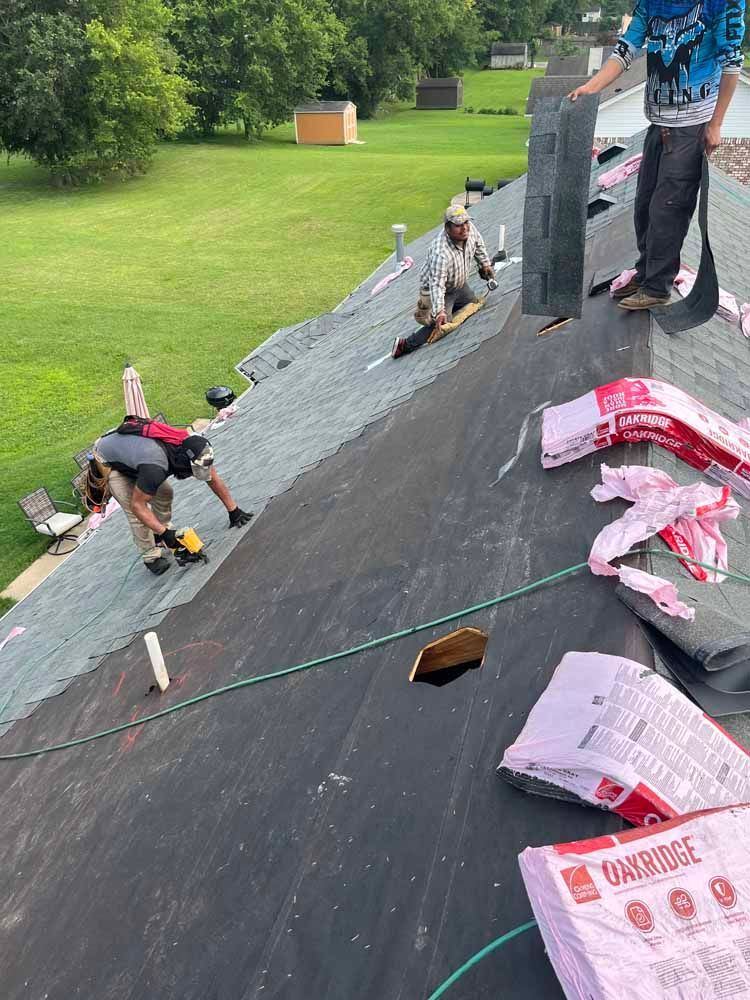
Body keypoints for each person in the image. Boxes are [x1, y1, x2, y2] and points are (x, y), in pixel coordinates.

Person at [569, 0, 745, 311]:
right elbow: (626, 48)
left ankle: (657, 286)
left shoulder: (723, 3)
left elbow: (731, 63)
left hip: (691, 125)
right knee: (644, 206)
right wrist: (591, 87)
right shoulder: (652, 3)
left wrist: (716, 124)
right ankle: (646, 271)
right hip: (658, 123)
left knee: (669, 210)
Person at [93, 428, 252, 575]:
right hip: (110, 461)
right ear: (183, 461)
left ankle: (159, 533)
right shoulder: (154, 467)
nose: (192, 475)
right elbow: (138, 506)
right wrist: (166, 534)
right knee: (135, 511)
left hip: (135, 454)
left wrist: (233, 510)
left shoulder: (194, 445)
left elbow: (211, 477)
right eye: (191, 471)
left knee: (165, 492)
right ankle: (151, 556)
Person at [391, 205, 494, 358]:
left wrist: (485, 265)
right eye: (458, 225)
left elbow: (478, 245)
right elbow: (437, 285)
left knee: (472, 304)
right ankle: (404, 345)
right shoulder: (441, 252)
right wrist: (440, 311)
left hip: (459, 285)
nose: (464, 228)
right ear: (447, 228)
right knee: (442, 325)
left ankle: (441, 311)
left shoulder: (469, 230)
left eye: (466, 222)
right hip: (439, 291)